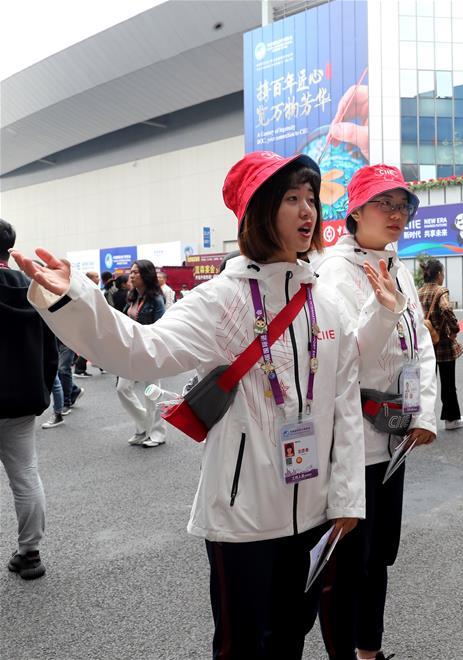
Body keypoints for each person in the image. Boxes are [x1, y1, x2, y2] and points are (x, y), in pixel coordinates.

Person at [13, 150, 375, 657]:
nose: (307, 211)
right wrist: (73, 297)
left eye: (311, 198)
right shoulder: (222, 299)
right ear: (257, 212)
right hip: (241, 517)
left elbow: (345, 411)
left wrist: (347, 501)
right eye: (290, 198)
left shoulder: (327, 303)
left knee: (293, 637)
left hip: (314, 513)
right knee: (240, 647)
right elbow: (142, 351)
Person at [313, 164, 437, 660]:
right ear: (355, 211)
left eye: (403, 205)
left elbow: (421, 342)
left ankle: (370, 651)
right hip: (352, 442)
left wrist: (427, 411)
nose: (397, 215)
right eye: (385, 204)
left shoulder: (397, 265)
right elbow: (346, 360)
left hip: (395, 433)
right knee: (347, 563)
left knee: (381, 556)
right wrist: (383, 312)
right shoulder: (331, 273)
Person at [0, 219, 56, 580]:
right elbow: (52, 345)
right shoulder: (32, 287)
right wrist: (44, 388)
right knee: (26, 476)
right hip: (22, 400)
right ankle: (30, 553)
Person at [115, 260, 168, 448]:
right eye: (131, 272)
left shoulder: (156, 299)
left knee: (151, 392)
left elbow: (161, 327)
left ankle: (157, 433)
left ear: (146, 275)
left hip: (150, 351)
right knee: (122, 388)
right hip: (131, 351)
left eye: (136, 272)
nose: (131, 275)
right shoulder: (132, 297)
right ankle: (144, 425)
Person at [418, 259, 463, 430]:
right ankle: (451, 419)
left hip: (425, 346)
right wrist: (454, 328)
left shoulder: (419, 292)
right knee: (448, 384)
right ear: (439, 274)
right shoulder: (440, 291)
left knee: (425, 384)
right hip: (443, 346)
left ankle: (423, 422)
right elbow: (446, 309)